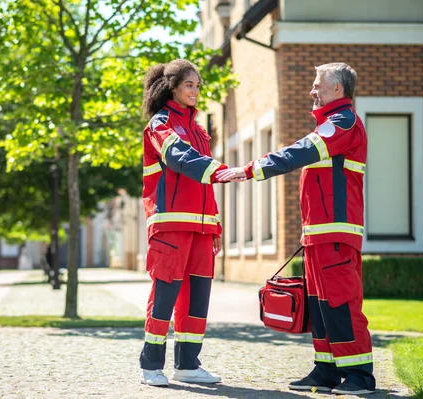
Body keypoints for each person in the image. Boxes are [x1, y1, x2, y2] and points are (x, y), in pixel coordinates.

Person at [217, 62, 376, 395]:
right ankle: (327, 371)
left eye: (318, 84)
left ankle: (360, 376)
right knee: (320, 304)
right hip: (319, 233)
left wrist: (251, 169)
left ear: (338, 90)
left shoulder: (343, 122)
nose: (311, 90)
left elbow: (300, 151)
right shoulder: (333, 124)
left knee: (341, 303)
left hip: (335, 231)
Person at [139, 59, 228, 387]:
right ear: (172, 87)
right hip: (170, 225)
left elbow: (202, 183)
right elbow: (177, 157)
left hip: (201, 228)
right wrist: (220, 169)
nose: (195, 90)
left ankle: (188, 364)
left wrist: (215, 225)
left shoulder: (199, 131)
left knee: (197, 297)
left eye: (198, 85)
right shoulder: (160, 124)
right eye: (189, 84)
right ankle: (151, 364)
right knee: (165, 294)